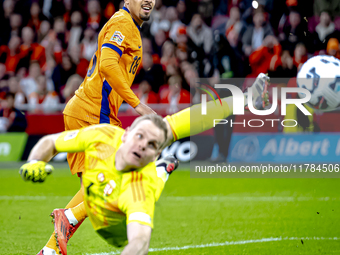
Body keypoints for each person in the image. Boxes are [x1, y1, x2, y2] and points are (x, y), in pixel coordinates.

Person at [19, 73, 269, 255]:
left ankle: (161, 169)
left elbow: (138, 242)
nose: (143, 146)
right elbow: (51, 142)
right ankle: (64, 226)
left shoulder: (141, 192)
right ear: (125, 133)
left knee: (145, 181)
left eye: (152, 146)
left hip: (125, 207)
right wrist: (33, 161)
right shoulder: (104, 135)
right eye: (140, 137)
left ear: (154, 153)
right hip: (111, 184)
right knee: (111, 175)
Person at [34, 0, 158, 253]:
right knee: (119, 174)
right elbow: (108, 65)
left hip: (86, 110)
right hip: (93, 113)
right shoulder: (123, 22)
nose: (149, 0)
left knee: (94, 191)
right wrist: (138, 105)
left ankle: (48, 251)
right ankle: (65, 219)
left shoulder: (130, 26)